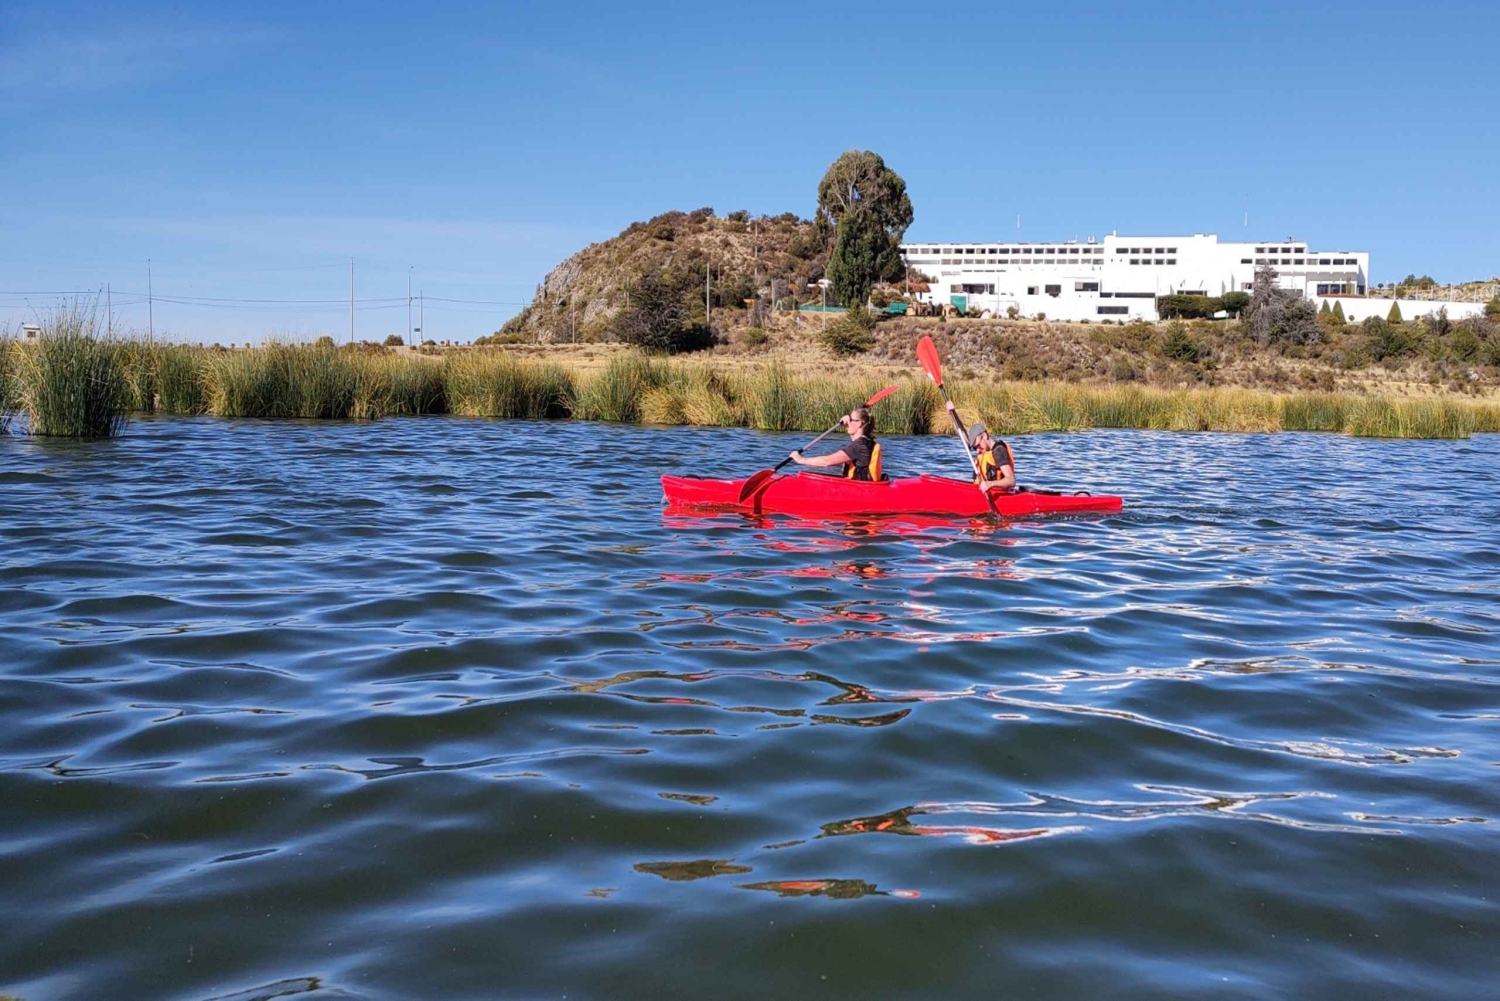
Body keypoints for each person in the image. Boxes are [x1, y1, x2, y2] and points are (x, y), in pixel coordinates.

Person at [789, 407, 883, 481]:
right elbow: (855, 440)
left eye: (850, 419)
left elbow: (827, 461)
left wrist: (801, 460)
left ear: (859, 424)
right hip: (861, 487)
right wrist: (849, 424)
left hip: (860, 491)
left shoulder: (858, 446)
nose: (847, 421)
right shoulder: (866, 442)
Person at [945, 400, 1015, 493]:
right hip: (982, 491)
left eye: (978, 445)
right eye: (975, 448)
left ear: (985, 436)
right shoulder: (984, 450)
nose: (977, 450)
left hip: (999, 495)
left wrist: (990, 484)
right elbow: (963, 435)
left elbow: (1011, 480)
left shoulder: (999, 451)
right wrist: (953, 414)